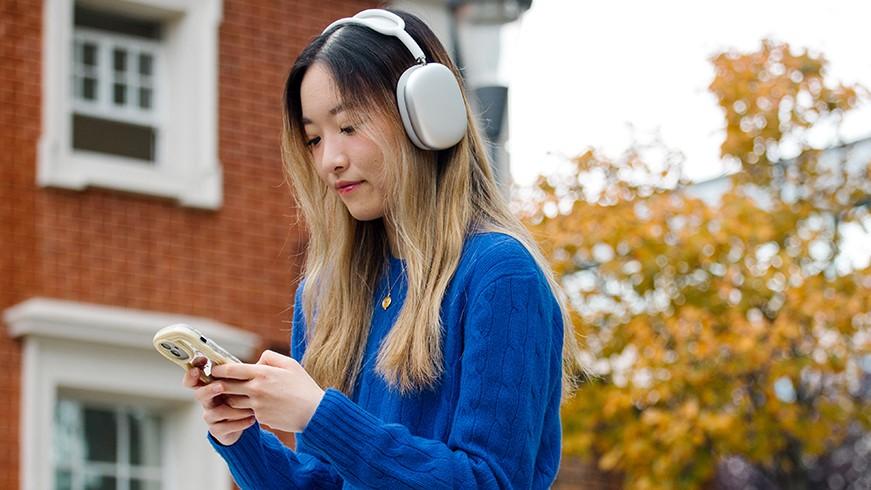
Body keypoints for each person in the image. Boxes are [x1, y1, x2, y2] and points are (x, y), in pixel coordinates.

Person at [183, 8, 583, 489]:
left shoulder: (500, 275)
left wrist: (318, 414)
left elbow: (490, 481)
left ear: (425, 118)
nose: (329, 160)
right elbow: (327, 483)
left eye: (349, 127)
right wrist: (240, 439)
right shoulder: (324, 294)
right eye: (314, 138)